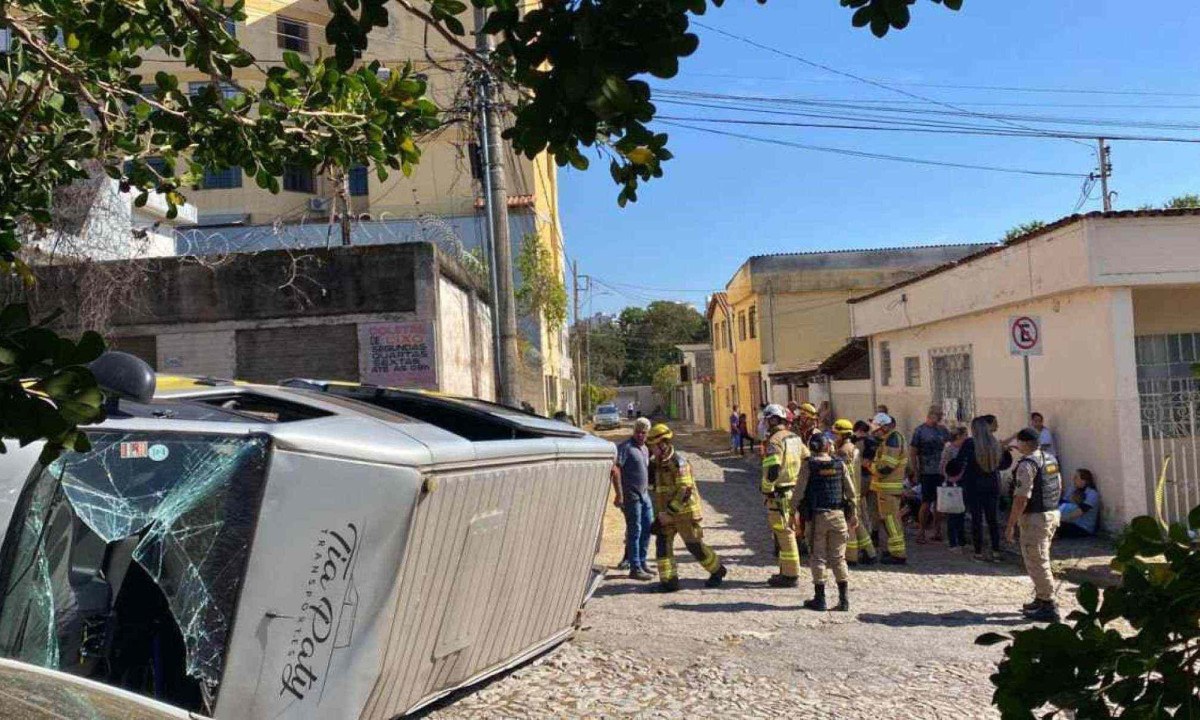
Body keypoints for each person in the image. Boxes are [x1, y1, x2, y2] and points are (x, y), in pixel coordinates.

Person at [646, 423, 727, 592]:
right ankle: (669, 582)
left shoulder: (679, 463)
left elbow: (685, 491)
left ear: (663, 444)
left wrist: (669, 513)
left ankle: (718, 570)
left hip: (684, 513)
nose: (651, 450)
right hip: (665, 515)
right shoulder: (657, 464)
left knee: (694, 546)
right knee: (662, 544)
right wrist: (658, 514)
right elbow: (656, 491)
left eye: (652, 446)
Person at [1005, 428, 1064, 622]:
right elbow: (1058, 485)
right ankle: (1040, 597)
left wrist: (1011, 524)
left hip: (1035, 517)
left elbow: (1021, 497)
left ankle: (1049, 604)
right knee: (1038, 557)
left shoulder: (1028, 464)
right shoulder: (1049, 459)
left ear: (1022, 443)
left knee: (1037, 561)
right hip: (1051, 512)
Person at [796, 433, 858, 611]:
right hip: (838, 516)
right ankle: (844, 600)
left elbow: (799, 492)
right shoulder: (840, 465)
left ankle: (820, 599)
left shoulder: (809, 466)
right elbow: (851, 492)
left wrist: (792, 512)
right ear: (827, 446)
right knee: (839, 558)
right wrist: (854, 514)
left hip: (818, 518)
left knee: (818, 557)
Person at [947, 415, 1015, 562]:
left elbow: (958, 463)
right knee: (993, 519)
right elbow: (1004, 465)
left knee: (976, 520)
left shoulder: (970, 444)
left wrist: (951, 467)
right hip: (992, 484)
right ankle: (996, 551)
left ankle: (978, 552)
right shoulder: (995, 443)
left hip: (974, 485)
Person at [760, 404, 806, 588]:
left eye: (767, 420)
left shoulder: (774, 441)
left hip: (779, 494)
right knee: (790, 532)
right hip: (795, 491)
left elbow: (772, 469)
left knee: (784, 533)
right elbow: (808, 458)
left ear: (773, 420)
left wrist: (766, 488)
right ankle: (785, 570)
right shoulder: (795, 438)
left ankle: (790, 574)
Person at [610, 418, 655, 580]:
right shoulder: (625, 448)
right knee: (634, 531)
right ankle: (634, 567)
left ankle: (642, 562)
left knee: (647, 528)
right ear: (633, 431)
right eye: (638, 432)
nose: (640, 435)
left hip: (645, 496)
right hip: (631, 497)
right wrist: (619, 494)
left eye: (644, 432)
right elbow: (615, 470)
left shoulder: (645, 449)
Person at [864, 412, 908, 564]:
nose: (877, 433)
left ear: (884, 427)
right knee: (890, 520)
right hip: (887, 488)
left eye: (878, 430)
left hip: (888, 487)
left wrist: (871, 467)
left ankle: (898, 554)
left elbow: (887, 466)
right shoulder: (892, 438)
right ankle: (894, 551)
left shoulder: (892, 439)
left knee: (891, 521)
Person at [834, 418, 876, 565]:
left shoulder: (843, 452)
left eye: (836, 435)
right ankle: (870, 552)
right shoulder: (853, 448)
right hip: (856, 491)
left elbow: (841, 474)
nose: (834, 437)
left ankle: (851, 557)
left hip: (847, 493)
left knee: (849, 524)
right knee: (857, 524)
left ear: (841, 435)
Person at [910, 406, 950, 544]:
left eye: (941, 414)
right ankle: (921, 530)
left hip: (941, 471)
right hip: (926, 471)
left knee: (939, 502)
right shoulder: (920, 431)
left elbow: (949, 446)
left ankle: (937, 530)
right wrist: (915, 471)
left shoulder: (943, 430)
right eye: (938, 414)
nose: (940, 417)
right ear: (930, 414)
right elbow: (913, 452)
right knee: (926, 502)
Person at [940, 426, 969, 549]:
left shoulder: (966, 449)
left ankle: (962, 540)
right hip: (953, 482)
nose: (967, 438)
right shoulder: (949, 449)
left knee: (961, 511)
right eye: (965, 435)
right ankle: (953, 541)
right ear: (959, 436)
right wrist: (951, 477)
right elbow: (943, 466)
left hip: (964, 482)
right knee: (953, 512)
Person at [1058, 469, 1100, 537]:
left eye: (1076, 477)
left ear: (1084, 481)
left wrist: (1059, 520)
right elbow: (1062, 503)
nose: (1073, 479)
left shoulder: (1092, 494)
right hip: (1070, 522)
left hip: (1083, 527)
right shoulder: (1073, 489)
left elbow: (1080, 511)